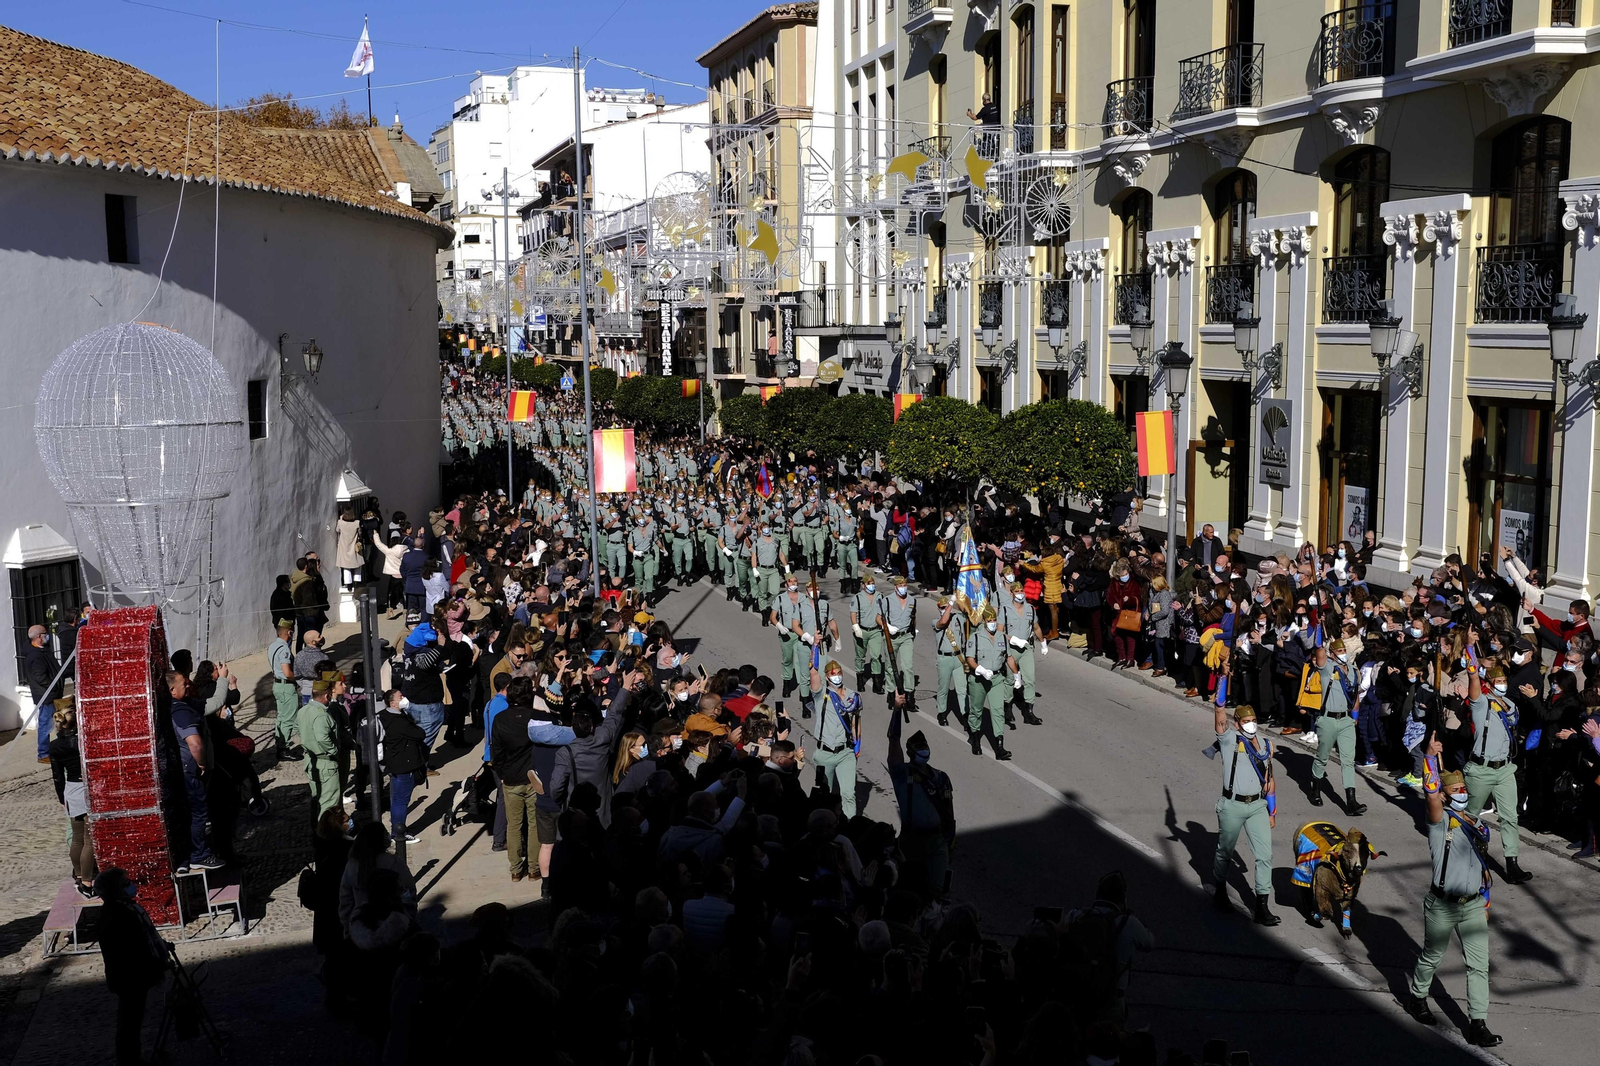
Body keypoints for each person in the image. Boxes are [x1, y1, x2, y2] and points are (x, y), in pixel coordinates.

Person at [1400, 764, 1501, 1048]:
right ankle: (1418, 997)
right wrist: (1430, 758)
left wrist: (1485, 902)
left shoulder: (1476, 824)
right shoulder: (1439, 821)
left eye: (1463, 789)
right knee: (1432, 956)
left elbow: (1482, 868)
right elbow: (1431, 796)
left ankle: (1477, 1024)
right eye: (1455, 790)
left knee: (1479, 966)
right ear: (1444, 795)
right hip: (1442, 906)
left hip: (1472, 905)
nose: (1461, 793)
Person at [1209, 705, 1279, 925]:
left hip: (1258, 805)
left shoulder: (1267, 745)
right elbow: (1220, 715)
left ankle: (1262, 907)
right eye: (1246, 720)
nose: (1251, 723)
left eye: (1254, 719)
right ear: (1237, 723)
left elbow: (1269, 781)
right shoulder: (1230, 741)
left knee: (1265, 855)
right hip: (1233, 805)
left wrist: (1272, 810)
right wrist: (1222, 679)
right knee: (1225, 851)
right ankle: (1220, 890)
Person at [93, 868, 171, 1066]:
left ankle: (131, 1059)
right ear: (115, 890)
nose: (131, 885)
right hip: (129, 978)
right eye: (126, 883)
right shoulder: (116, 916)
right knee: (130, 1022)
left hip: (130, 977)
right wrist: (155, 963)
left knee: (132, 1020)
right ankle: (130, 1061)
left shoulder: (123, 909)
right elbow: (134, 949)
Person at [1465, 661, 1532, 884]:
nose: (1502, 685)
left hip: (1504, 769)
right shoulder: (1481, 703)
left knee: (1510, 817)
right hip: (1481, 769)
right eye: (1498, 682)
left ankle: (1512, 864)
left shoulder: (1510, 705)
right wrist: (1471, 651)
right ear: (1489, 684)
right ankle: (1466, 858)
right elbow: (1473, 682)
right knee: (1470, 816)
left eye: (1504, 681)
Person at [887, 721, 955, 900]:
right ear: (909, 753)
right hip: (912, 841)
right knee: (909, 889)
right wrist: (897, 710)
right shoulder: (903, 775)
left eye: (924, 746)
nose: (923, 750)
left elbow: (949, 812)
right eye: (918, 747)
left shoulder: (941, 777)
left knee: (937, 890)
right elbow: (894, 740)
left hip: (938, 841)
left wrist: (951, 841)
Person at [168, 671, 224, 873]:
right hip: (189, 771)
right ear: (172, 690)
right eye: (183, 684)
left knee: (184, 815)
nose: (188, 686)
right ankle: (199, 855)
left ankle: (184, 858)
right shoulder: (180, 711)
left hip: (178, 770)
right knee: (198, 813)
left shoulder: (171, 707)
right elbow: (195, 744)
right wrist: (201, 763)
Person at [1307, 639, 1368, 816]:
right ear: (1332, 653)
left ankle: (1351, 801)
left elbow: (1355, 694)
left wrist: (1354, 717)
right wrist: (1320, 634)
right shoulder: (1327, 667)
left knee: (1348, 760)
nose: (1343, 652)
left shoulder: (1353, 669)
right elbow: (1319, 655)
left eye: (1344, 649)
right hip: (1328, 720)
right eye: (1339, 650)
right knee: (1322, 757)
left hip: (1346, 720)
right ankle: (1315, 789)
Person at [49, 701, 96, 895]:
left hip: (71, 790)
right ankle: (87, 882)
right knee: (89, 840)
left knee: (77, 839)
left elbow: (57, 776)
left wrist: (62, 798)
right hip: (86, 788)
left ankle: (78, 875)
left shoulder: (54, 746)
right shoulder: (83, 741)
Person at [809, 658, 862, 816]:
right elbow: (813, 676)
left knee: (849, 794)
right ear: (826, 677)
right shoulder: (821, 694)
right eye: (833, 675)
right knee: (824, 794)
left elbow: (856, 723)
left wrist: (857, 745)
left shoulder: (853, 697)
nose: (836, 677)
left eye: (839, 674)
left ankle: (850, 828)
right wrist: (814, 654)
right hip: (823, 754)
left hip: (845, 753)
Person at [964, 606, 1016, 761]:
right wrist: (980, 669)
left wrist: (1016, 674)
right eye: (990, 620)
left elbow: (1009, 657)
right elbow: (970, 659)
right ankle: (975, 739)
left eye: (994, 620)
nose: (993, 623)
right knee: (976, 711)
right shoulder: (976, 637)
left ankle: (999, 747)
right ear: (984, 621)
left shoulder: (1001, 637)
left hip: (996, 678)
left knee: (998, 711)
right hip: (979, 679)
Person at [378, 689, 427, 845]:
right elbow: (420, 733)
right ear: (393, 703)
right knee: (401, 800)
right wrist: (411, 710)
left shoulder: (385, 715)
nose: (404, 698)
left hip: (395, 763)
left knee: (397, 799)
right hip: (404, 765)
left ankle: (396, 829)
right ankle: (398, 832)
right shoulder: (399, 722)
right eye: (401, 697)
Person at [299, 676, 344, 818]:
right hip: (325, 762)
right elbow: (322, 738)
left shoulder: (303, 711)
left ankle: (317, 829)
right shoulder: (321, 716)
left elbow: (296, 727)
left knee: (317, 798)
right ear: (326, 695)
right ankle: (326, 834)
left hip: (310, 760)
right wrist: (335, 751)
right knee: (329, 802)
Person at [24, 623, 62, 763]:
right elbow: (40, 677)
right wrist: (53, 687)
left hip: (51, 693)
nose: (47, 636)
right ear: (39, 637)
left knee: (57, 722)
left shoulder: (43, 650)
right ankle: (43, 753)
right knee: (45, 725)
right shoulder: (35, 655)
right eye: (45, 633)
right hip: (46, 695)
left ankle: (52, 750)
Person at [851, 573, 891, 694]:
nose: (871, 586)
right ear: (863, 585)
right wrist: (855, 626)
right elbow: (853, 614)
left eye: (873, 583)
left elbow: (884, 612)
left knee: (876, 656)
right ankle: (860, 679)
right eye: (868, 584)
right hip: (861, 630)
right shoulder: (857, 598)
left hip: (875, 630)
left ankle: (877, 683)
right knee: (860, 656)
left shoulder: (880, 596)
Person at [268, 617, 299, 761]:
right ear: (288, 632)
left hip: (277, 684)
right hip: (286, 686)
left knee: (281, 717)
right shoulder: (284, 649)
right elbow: (287, 672)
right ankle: (284, 749)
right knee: (288, 718)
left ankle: (279, 743)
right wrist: (297, 678)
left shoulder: (273, 646)